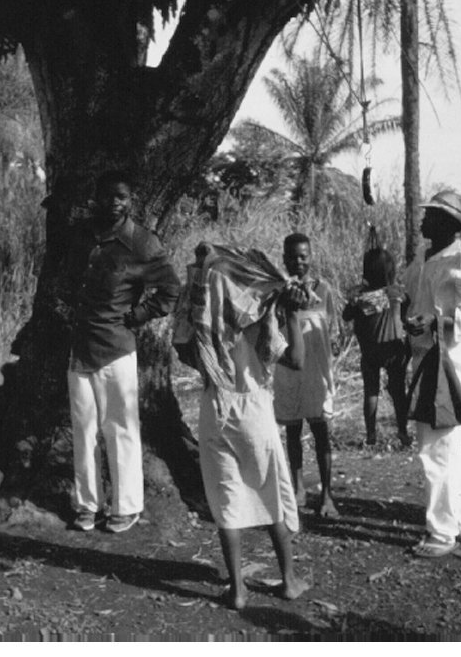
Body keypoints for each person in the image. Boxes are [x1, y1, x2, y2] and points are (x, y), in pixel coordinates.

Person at [175, 243, 310, 610]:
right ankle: (289, 580)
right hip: (253, 410)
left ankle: (237, 589)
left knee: (226, 500)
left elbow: (185, 350)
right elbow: (296, 360)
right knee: (272, 495)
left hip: (213, 408)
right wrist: (292, 314)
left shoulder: (204, 323)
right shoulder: (257, 321)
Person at [65, 170, 181, 533]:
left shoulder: (142, 243)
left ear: (131, 201)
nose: (115, 203)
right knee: (83, 430)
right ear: (96, 197)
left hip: (116, 348)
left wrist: (137, 316)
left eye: (123, 197)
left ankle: (126, 507)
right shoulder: (82, 236)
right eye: (109, 195)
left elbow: (170, 290)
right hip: (80, 348)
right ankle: (87, 505)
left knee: (120, 430)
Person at [401, 190, 461, 558]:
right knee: (449, 448)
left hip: (448, 365)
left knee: (436, 450)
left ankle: (441, 531)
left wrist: (436, 322)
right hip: (424, 360)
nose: (424, 220)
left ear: (450, 225)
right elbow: (409, 293)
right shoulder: (423, 258)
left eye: (432, 216)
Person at [272, 233, 339, 519]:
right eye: (292, 257)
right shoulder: (278, 290)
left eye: (303, 256)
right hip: (289, 368)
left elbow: (330, 328)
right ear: (284, 259)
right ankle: (297, 488)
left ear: (311, 257)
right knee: (293, 429)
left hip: (317, 369)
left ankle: (327, 495)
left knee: (321, 430)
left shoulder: (323, 289)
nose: (298, 262)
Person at [343, 245, 411, 448]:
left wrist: (354, 299)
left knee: (371, 392)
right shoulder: (397, 293)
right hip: (394, 350)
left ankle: (371, 435)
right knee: (398, 392)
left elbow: (346, 316)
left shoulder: (361, 298)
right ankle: (403, 431)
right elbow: (407, 311)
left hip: (370, 352)